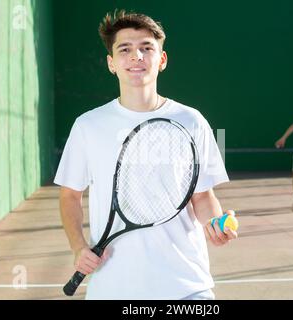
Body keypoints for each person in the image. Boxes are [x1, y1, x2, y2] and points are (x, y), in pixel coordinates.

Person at [54, 10, 237, 300]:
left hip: (187, 287)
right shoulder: (88, 125)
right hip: (112, 287)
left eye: (146, 48)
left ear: (161, 60)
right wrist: (78, 247)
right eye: (124, 49)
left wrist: (214, 224)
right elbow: (69, 195)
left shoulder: (193, 121)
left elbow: (202, 196)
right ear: (111, 64)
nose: (136, 56)